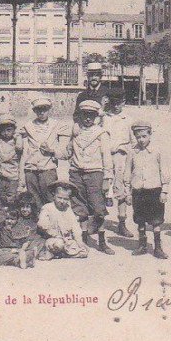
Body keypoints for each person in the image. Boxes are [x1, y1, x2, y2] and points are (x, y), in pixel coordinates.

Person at [66, 99, 115, 254]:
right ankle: (84, 240)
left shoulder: (101, 133)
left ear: (96, 117)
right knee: (80, 208)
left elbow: (107, 157)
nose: (88, 118)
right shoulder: (75, 131)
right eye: (85, 115)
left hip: (95, 173)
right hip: (76, 173)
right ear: (80, 115)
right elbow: (67, 152)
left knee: (99, 208)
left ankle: (101, 242)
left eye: (91, 115)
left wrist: (107, 179)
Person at [124, 121, 170, 259]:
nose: (141, 140)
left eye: (144, 136)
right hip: (138, 190)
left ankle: (158, 247)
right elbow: (127, 172)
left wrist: (164, 190)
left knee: (156, 220)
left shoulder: (157, 151)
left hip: (154, 190)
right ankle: (142, 245)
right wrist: (127, 192)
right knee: (140, 219)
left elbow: (164, 171)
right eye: (138, 137)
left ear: (150, 134)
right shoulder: (132, 152)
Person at [18, 97, 61, 213]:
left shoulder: (56, 125)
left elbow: (64, 150)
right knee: (34, 200)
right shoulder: (28, 126)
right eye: (38, 110)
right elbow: (20, 145)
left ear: (49, 110)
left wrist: (51, 150)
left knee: (50, 199)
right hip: (31, 169)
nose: (41, 112)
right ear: (34, 111)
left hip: (48, 168)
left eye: (45, 109)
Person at [102, 89, 134, 237]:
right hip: (106, 157)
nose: (116, 107)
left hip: (121, 157)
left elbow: (133, 142)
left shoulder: (127, 119)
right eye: (113, 103)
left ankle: (122, 223)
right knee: (104, 186)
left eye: (119, 103)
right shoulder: (104, 118)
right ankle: (99, 222)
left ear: (124, 103)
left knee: (121, 188)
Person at [36, 180, 89, 261]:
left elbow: (75, 226)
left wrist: (79, 241)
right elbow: (42, 224)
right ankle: (54, 252)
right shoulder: (47, 207)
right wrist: (55, 234)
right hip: (52, 238)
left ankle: (59, 254)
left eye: (65, 199)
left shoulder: (68, 209)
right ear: (54, 195)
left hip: (66, 239)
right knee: (58, 244)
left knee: (84, 251)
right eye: (59, 198)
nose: (62, 201)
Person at [0, 114, 25, 215]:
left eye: (9, 130)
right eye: (3, 130)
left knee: (12, 203)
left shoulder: (18, 143)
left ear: (14, 130)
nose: (6, 133)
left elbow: (21, 163)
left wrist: (18, 137)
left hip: (13, 179)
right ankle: (1, 224)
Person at [0, 201, 38, 267]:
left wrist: (22, 249)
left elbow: (26, 241)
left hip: (17, 250)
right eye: (7, 219)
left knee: (26, 250)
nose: (9, 221)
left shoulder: (19, 227)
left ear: (17, 220)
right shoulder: (0, 228)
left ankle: (24, 258)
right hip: (4, 250)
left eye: (12, 219)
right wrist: (2, 214)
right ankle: (22, 260)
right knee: (0, 255)